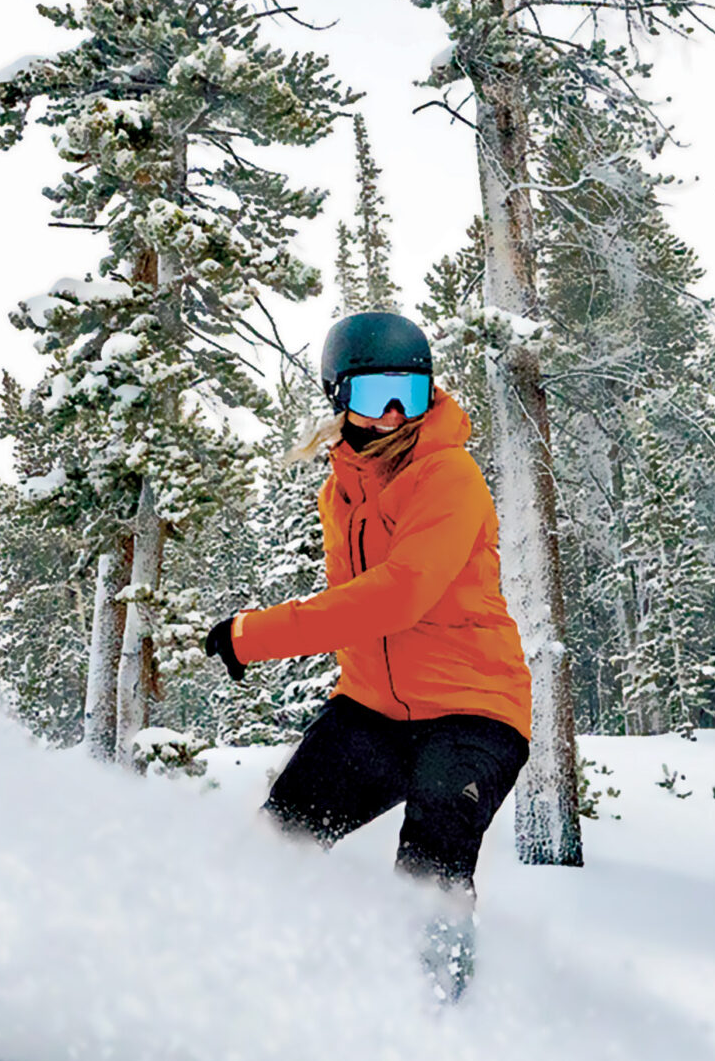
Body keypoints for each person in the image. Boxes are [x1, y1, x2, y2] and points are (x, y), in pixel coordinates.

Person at [204, 311, 532, 999]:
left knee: (429, 866)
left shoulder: (449, 476)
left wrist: (254, 635)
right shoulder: (342, 490)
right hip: (374, 712)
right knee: (276, 846)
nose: (390, 416)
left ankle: (440, 1027)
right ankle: (228, 988)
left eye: (408, 397)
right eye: (372, 396)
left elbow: (397, 596)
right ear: (337, 398)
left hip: (474, 711)